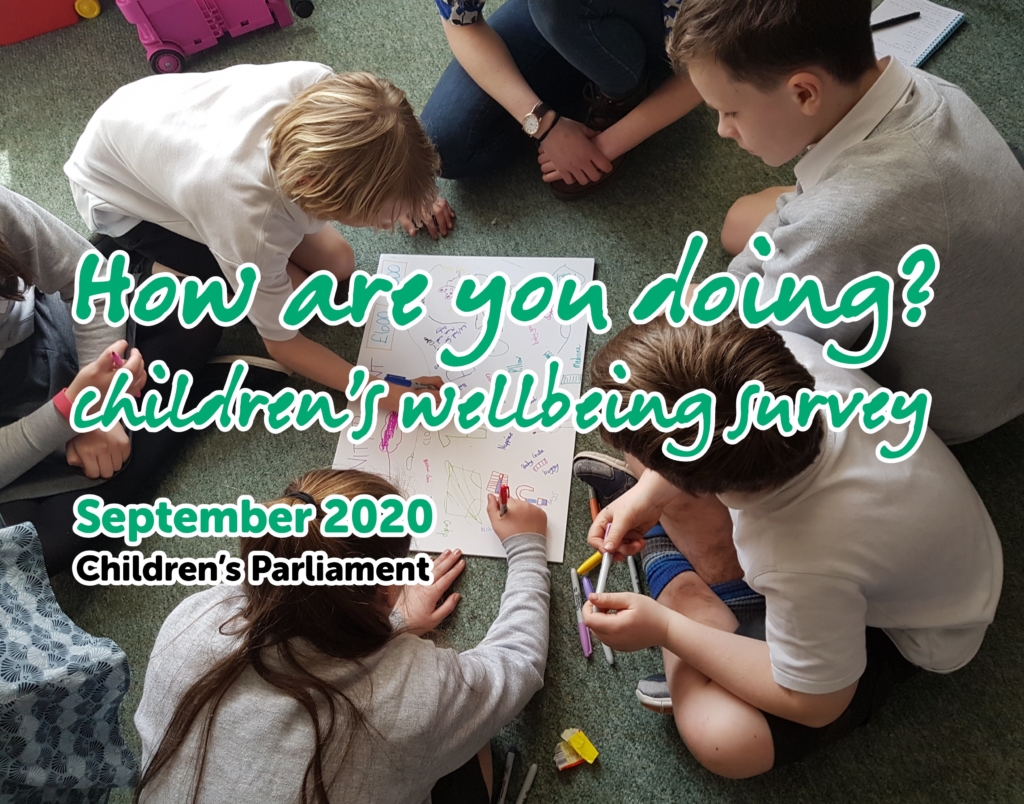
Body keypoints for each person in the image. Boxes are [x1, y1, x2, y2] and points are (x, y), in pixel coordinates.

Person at [578, 314, 1001, 777]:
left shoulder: (798, 559)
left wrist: (666, 630)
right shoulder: (789, 358)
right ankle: (700, 598)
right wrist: (649, 495)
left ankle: (682, 592)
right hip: (892, 544)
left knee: (723, 740)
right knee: (642, 449)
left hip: (906, 631)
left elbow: (817, 702)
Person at [666, 0, 1024, 444]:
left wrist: (708, 304)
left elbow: (765, 340)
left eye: (730, 112)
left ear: (804, 93)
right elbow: (809, 208)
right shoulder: (925, 86)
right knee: (740, 220)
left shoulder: (845, 222)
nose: (722, 130)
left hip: (953, 409)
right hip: (978, 297)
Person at [133, 468, 550, 804]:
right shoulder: (416, 694)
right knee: (470, 743)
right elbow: (519, 661)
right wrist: (527, 546)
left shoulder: (195, 616)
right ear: (387, 589)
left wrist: (392, 621)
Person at [65, 63, 451, 413]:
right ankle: (145, 266)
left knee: (339, 262)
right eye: (381, 218)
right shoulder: (250, 221)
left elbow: (390, 149)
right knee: (302, 303)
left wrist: (409, 189)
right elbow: (282, 343)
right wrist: (381, 391)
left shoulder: (321, 87)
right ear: (314, 187)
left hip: (150, 118)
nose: (386, 224)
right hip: (118, 195)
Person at [0, 186, 219, 574]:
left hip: (46, 328)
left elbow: (88, 275)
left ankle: (167, 399)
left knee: (195, 310)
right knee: (40, 549)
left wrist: (105, 406)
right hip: (14, 427)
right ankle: (196, 395)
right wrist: (70, 412)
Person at [423, 0, 703, 196]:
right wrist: (543, 123)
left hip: (676, 24)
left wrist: (609, 144)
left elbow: (710, 67)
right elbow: (461, 23)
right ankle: (579, 42)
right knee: (442, 146)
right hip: (555, 9)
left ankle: (623, 92)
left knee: (553, 7)